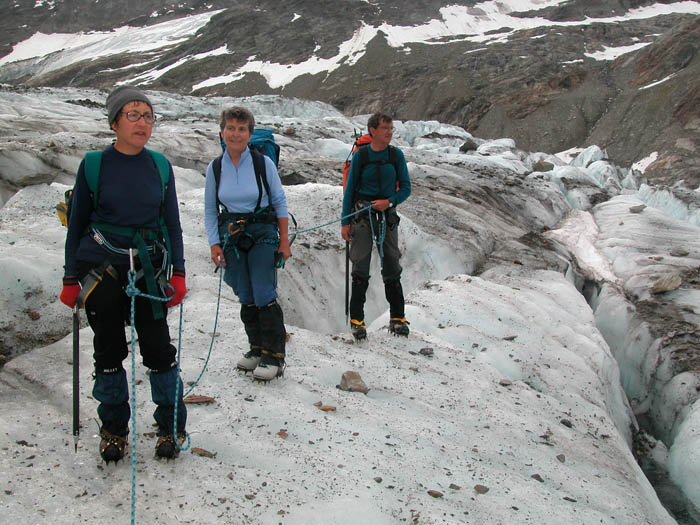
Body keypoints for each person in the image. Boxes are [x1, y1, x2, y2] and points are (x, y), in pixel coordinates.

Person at [59, 85, 188, 463]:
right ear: (114, 122)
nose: (142, 122)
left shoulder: (160, 167)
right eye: (133, 115)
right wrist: (70, 278)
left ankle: (171, 427)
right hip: (101, 269)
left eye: (147, 115)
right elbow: (77, 224)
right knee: (109, 350)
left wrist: (178, 272)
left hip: (147, 268)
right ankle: (114, 430)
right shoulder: (95, 165)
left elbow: (173, 225)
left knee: (159, 349)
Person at [204, 107, 291, 382]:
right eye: (230, 128)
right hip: (231, 234)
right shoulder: (215, 168)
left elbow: (279, 201)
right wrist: (214, 243)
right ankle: (257, 349)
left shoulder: (263, 163)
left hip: (262, 231)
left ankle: (275, 356)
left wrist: (284, 241)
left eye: (241, 129)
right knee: (245, 292)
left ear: (250, 134)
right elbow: (209, 210)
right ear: (222, 132)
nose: (235, 133)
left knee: (263, 290)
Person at [341, 112, 412, 340]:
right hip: (362, 215)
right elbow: (350, 190)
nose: (389, 133)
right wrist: (345, 222)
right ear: (372, 131)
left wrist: (388, 202)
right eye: (385, 129)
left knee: (392, 262)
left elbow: (406, 188)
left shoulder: (396, 155)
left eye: (391, 129)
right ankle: (357, 321)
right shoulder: (361, 156)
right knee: (360, 265)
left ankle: (398, 318)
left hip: (386, 214)